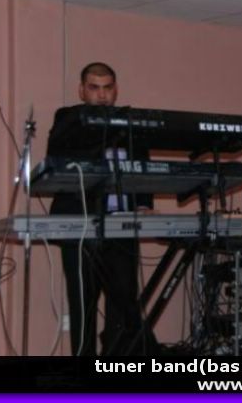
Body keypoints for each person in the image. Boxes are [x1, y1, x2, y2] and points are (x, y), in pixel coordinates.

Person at [47, 62, 155, 356]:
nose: (102, 95)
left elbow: (144, 167)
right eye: (94, 88)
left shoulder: (130, 122)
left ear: (115, 90)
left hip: (122, 227)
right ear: (82, 90)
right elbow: (58, 154)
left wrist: (144, 204)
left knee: (124, 303)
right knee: (83, 303)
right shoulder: (68, 119)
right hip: (80, 227)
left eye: (107, 88)